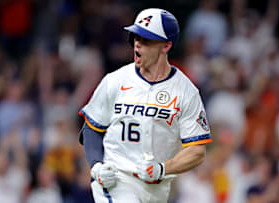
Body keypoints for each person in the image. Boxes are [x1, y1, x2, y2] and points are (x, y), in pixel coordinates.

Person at [79, 8, 212, 203]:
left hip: (157, 189)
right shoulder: (115, 81)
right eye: (135, 37)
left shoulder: (186, 91)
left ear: (166, 45)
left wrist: (163, 169)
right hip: (117, 180)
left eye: (146, 40)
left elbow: (197, 150)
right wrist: (97, 166)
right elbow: (91, 129)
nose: (138, 44)